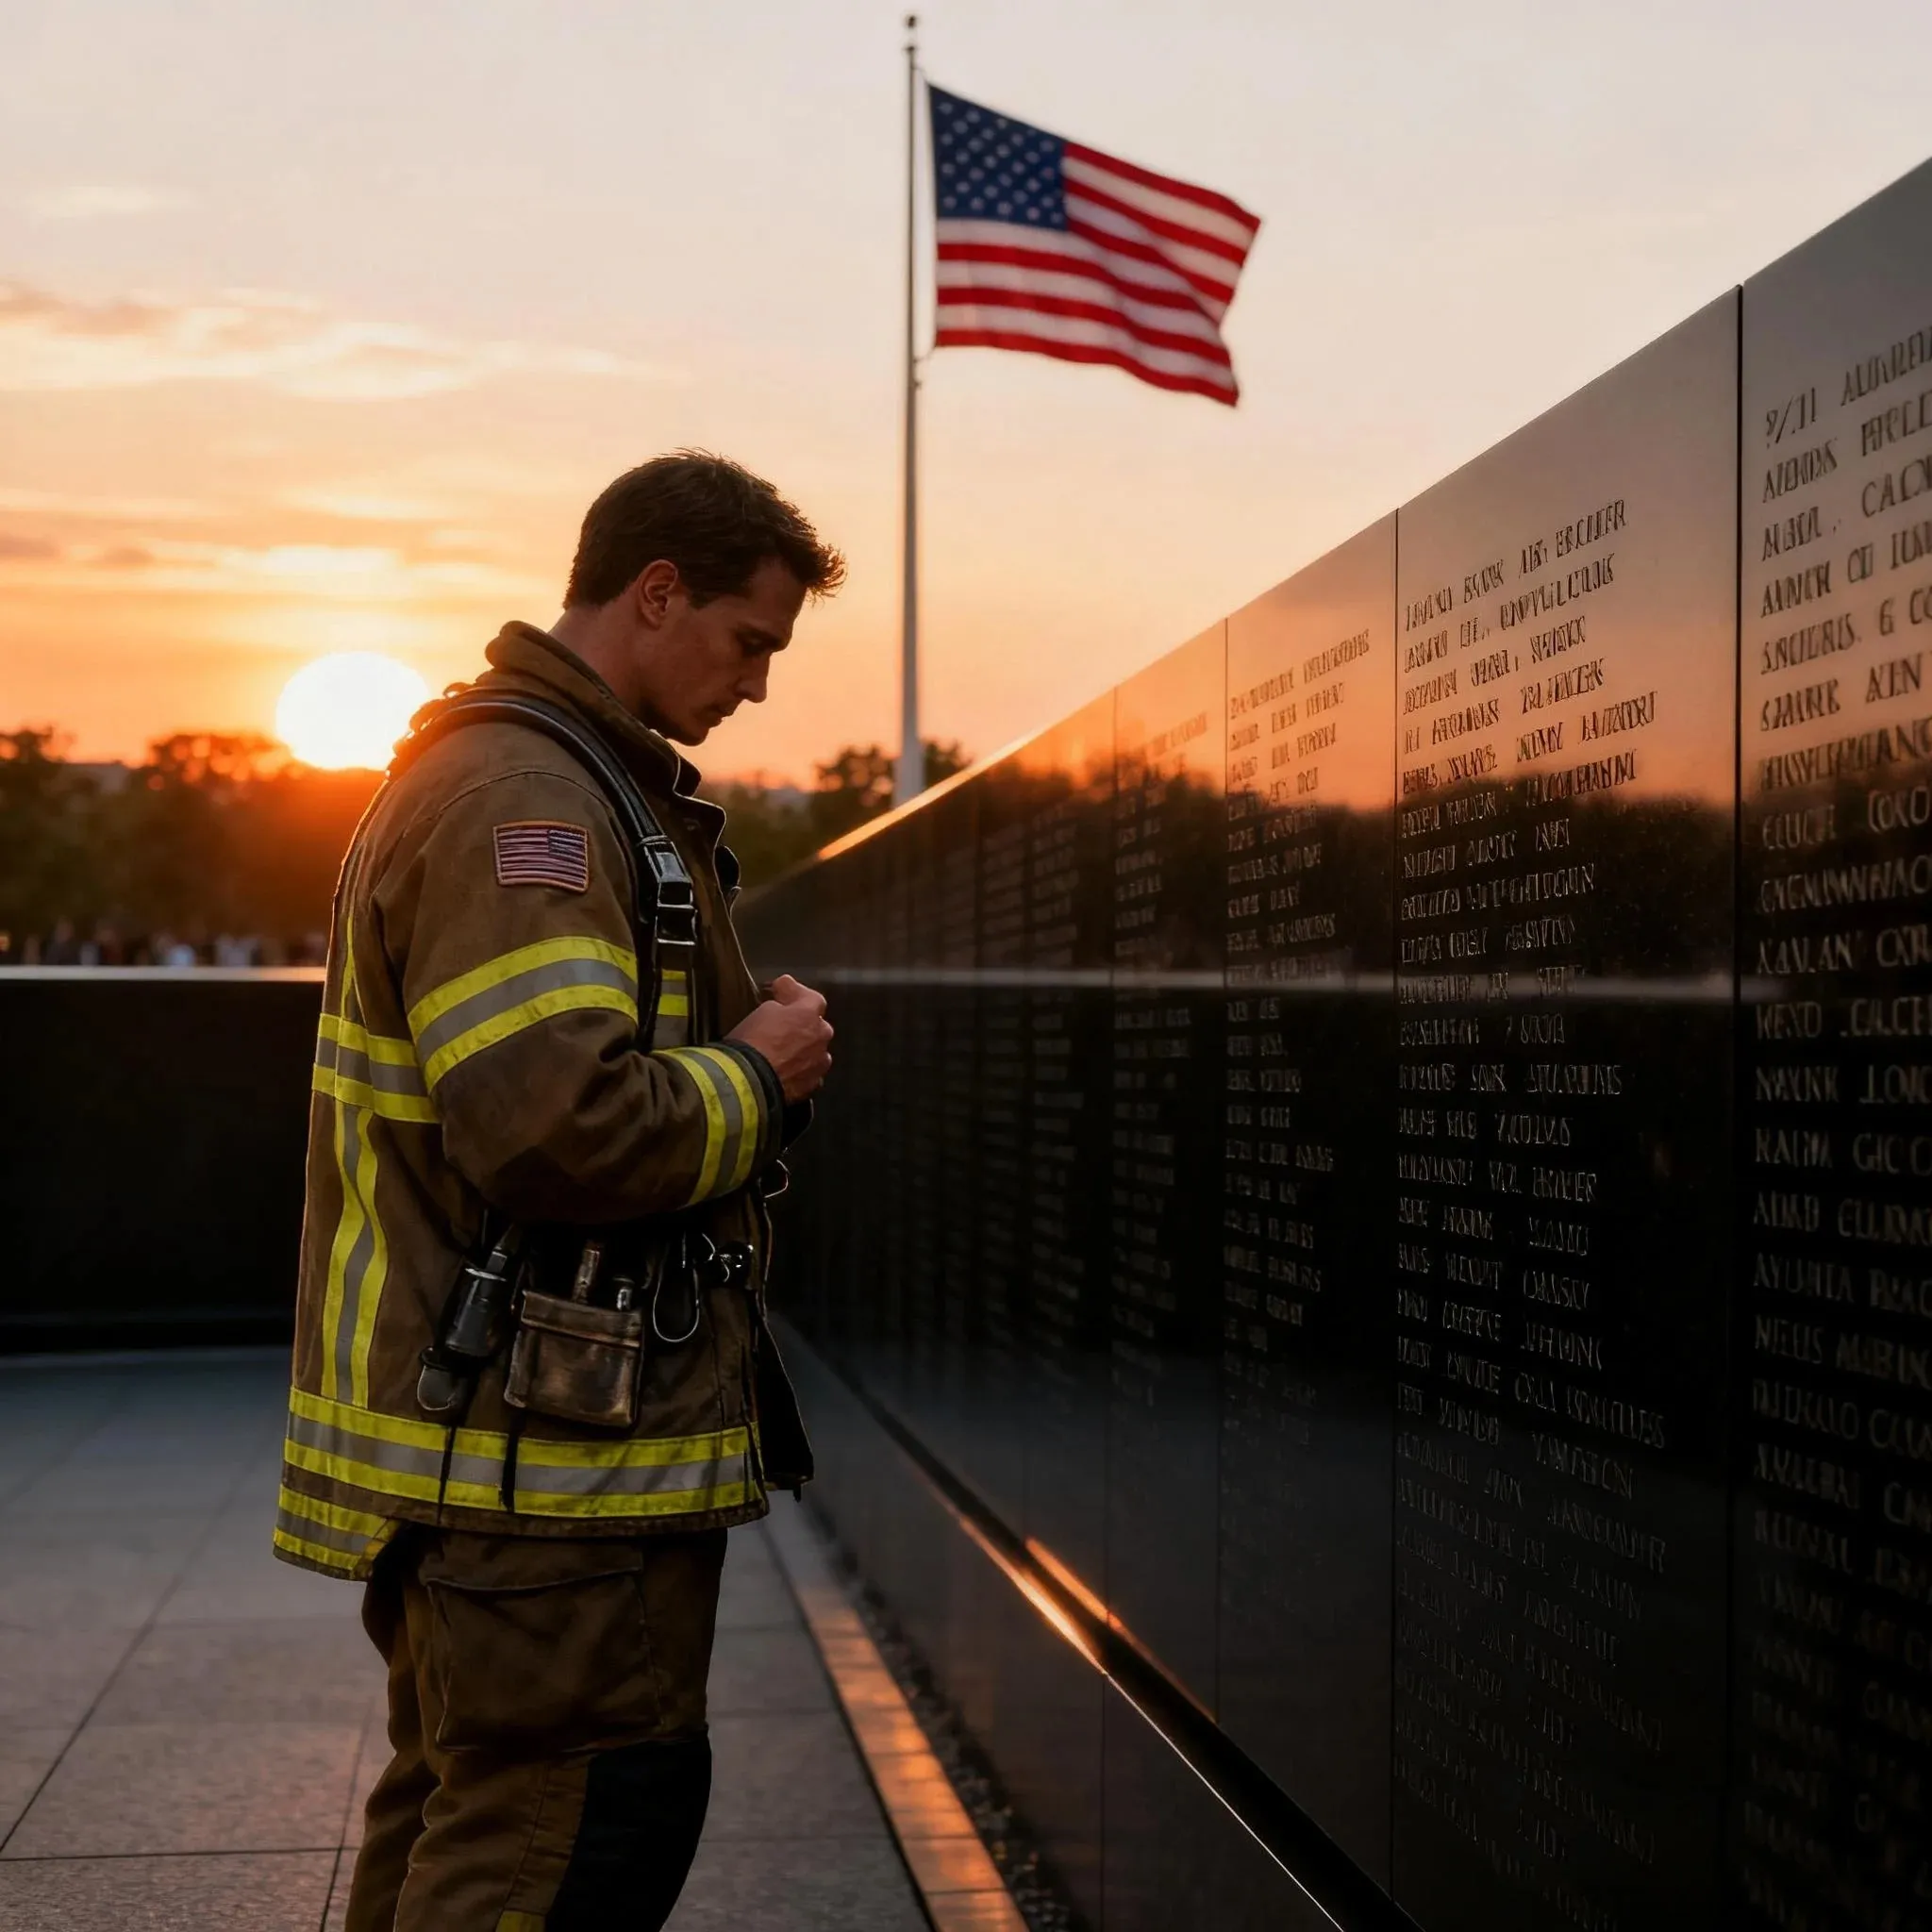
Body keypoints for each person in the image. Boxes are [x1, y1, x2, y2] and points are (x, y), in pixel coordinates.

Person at [274, 452, 841, 1930]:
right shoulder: (530, 801)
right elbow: (552, 1130)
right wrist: (759, 1073)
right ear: (655, 593)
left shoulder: (543, 778)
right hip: (535, 1473)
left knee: (474, 1811)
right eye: (749, 640)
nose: (758, 684)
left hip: (510, 1463)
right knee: (562, 1830)